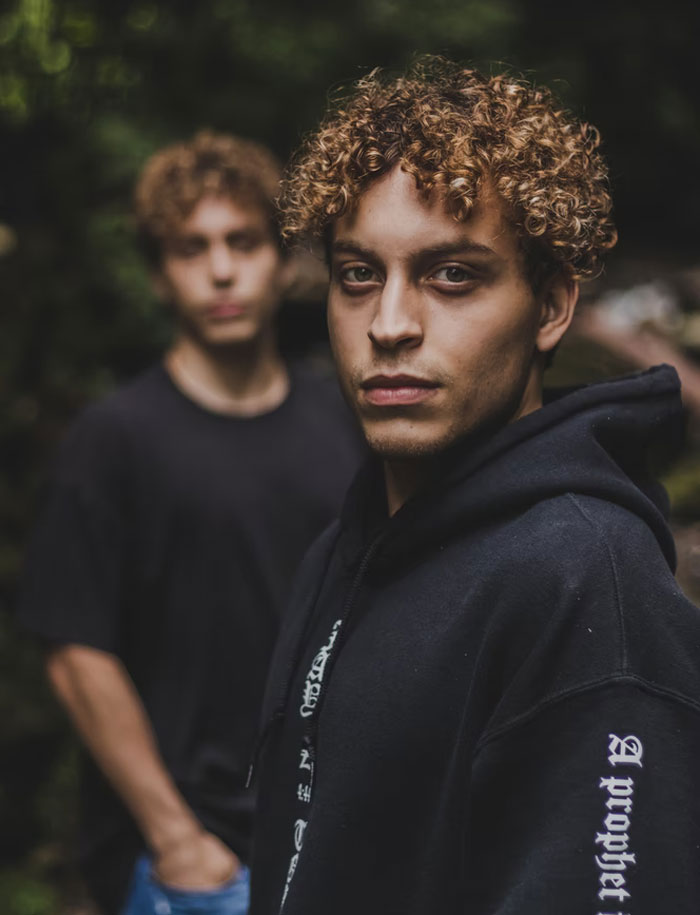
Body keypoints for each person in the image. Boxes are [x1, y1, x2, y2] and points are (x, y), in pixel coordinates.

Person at [248, 59, 700, 914]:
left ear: (552, 306)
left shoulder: (587, 585)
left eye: (452, 274)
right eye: (358, 275)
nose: (389, 324)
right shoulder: (341, 552)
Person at [18, 130, 362, 915]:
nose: (221, 270)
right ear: (158, 275)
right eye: (191, 248)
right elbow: (75, 650)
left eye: (243, 241)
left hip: (324, 836)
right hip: (191, 859)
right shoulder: (113, 440)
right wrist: (175, 836)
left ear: (283, 261)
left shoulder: (344, 421)